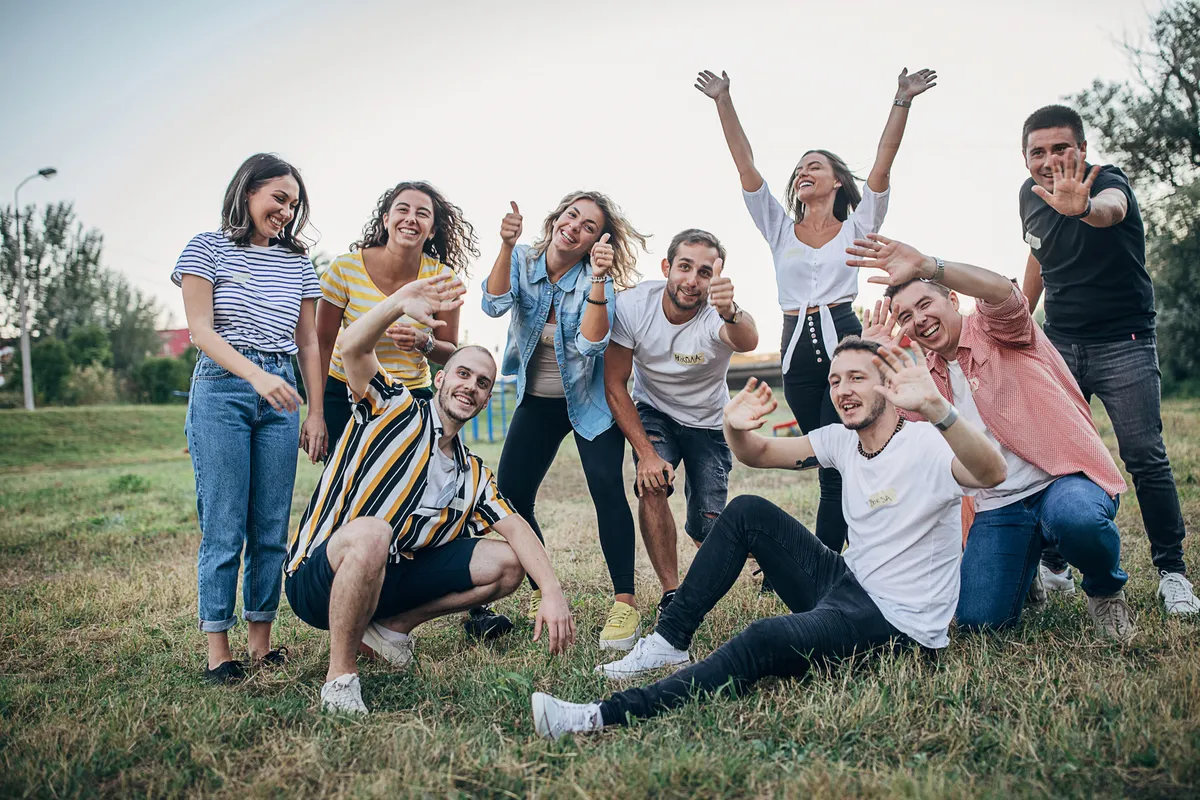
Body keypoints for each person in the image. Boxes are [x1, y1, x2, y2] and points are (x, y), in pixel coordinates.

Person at [531, 338, 1007, 739]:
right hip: (847, 583)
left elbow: (991, 473)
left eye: (856, 378)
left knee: (763, 639)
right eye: (835, 380)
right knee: (747, 511)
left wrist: (938, 409)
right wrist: (733, 427)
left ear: (888, 384)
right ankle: (669, 639)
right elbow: (756, 453)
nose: (842, 390)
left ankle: (599, 716)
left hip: (896, 626)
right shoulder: (843, 440)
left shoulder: (925, 443)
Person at [286, 274, 576, 715]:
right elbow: (352, 348)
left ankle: (391, 630)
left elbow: (517, 527)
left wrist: (551, 590)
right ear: (440, 380)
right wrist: (399, 302)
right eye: (463, 374)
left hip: (387, 579)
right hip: (318, 579)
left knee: (509, 564)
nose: (471, 386)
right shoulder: (394, 407)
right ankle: (340, 679)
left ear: (485, 400)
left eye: (483, 383)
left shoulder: (472, 472)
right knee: (373, 533)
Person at [694, 66, 936, 554]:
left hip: (846, 342)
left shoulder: (858, 227)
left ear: (837, 182)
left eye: (815, 166)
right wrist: (723, 100)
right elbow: (746, 167)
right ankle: (840, 555)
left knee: (839, 465)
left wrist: (902, 99)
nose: (803, 172)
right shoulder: (779, 228)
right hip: (796, 357)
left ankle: (829, 564)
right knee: (830, 459)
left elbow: (882, 167)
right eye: (800, 169)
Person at [846, 233, 1136, 639]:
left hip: (1063, 480)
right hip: (999, 506)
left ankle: (1105, 591)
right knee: (980, 622)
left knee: (1077, 519)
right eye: (905, 316)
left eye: (925, 304)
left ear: (952, 300)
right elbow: (885, 428)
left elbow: (1000, 290)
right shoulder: (923, 378)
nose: (918, 319)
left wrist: (929, 265)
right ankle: (1026, 568)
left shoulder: (997, 328)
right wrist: (872, 360)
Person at [1017, 104, 1198, 615]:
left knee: (1144, 455)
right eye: (1037, 152)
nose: (1049, 160)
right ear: (1025, 157)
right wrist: (1019, 319)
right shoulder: (1028, 194)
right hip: (1060, 342)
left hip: (1125, 341)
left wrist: (1082, 209)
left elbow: (1111, 210)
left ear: (1082, 149)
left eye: (1061, 148)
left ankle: (1172, 573)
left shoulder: (1108, 182)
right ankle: (1054, 566)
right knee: (1051, 456)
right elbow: (1037, 253)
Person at [173, 153, 327, 684]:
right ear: (247, 192)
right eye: (278, 198)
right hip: (223, 389)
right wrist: (257, 377)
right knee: (224, 525)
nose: (286, 211)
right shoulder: (206, 248)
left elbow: (309, 343)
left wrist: (315, 412)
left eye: (294, 204)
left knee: (270, 526)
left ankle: (260, 643)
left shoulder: (299, 264)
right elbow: (201, 331)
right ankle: (219, 650)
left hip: (281, 393)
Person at [482, 193, 650, 650]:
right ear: (556, 218)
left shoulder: (598, 281)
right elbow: (493, 304)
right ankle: (546, 590)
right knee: (512, 496)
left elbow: (593, 345)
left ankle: (625, 603)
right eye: (571, 215)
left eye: (589, 226)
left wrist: (597, 279)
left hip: (589, 404)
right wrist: (505, 244)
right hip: (537, 403)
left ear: (596, 242)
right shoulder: (522, 260)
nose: (575, 226)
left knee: (606, 488)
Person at [604, 228, 758, 612]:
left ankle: (763, 554)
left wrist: (731, 311)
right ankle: (671, 593)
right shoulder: (634, 305)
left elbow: (748, 340)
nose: (692, 281)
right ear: (666, 267)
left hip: (709, 423)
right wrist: (646, 454)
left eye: (704, 273)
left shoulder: (717, 315)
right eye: (684, 267)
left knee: (707, 530)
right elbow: (614, 383)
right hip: (655, 411)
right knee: (651, 485)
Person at [316, 181, 478, 448]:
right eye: (403, 209)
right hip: (344, 393)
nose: (411, 218)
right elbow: (321, 344)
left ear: (432, 230)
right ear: (386, 219)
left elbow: (450, 352)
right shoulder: (344, 269)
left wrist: (423, 342)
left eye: (422, 213)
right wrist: (316, 412)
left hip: (410, 396)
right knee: (346, 475)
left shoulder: (441, 279)